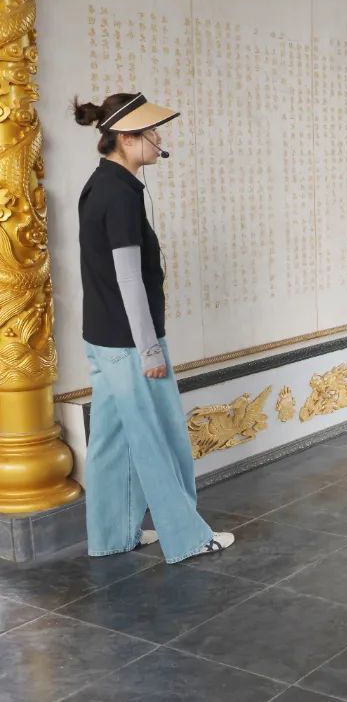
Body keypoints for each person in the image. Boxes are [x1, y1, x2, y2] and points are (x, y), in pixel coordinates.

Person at [75, 92, 235, 563]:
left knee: (111, 441)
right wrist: (149, 350)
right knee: (159, 438)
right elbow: (128, 278)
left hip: (103, 337)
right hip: (130, 343)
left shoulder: (100, 184)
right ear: (126, 138)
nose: (159, 138)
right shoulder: (119, 194)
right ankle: (187, 538)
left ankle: (112, 536)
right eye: (150, 132)